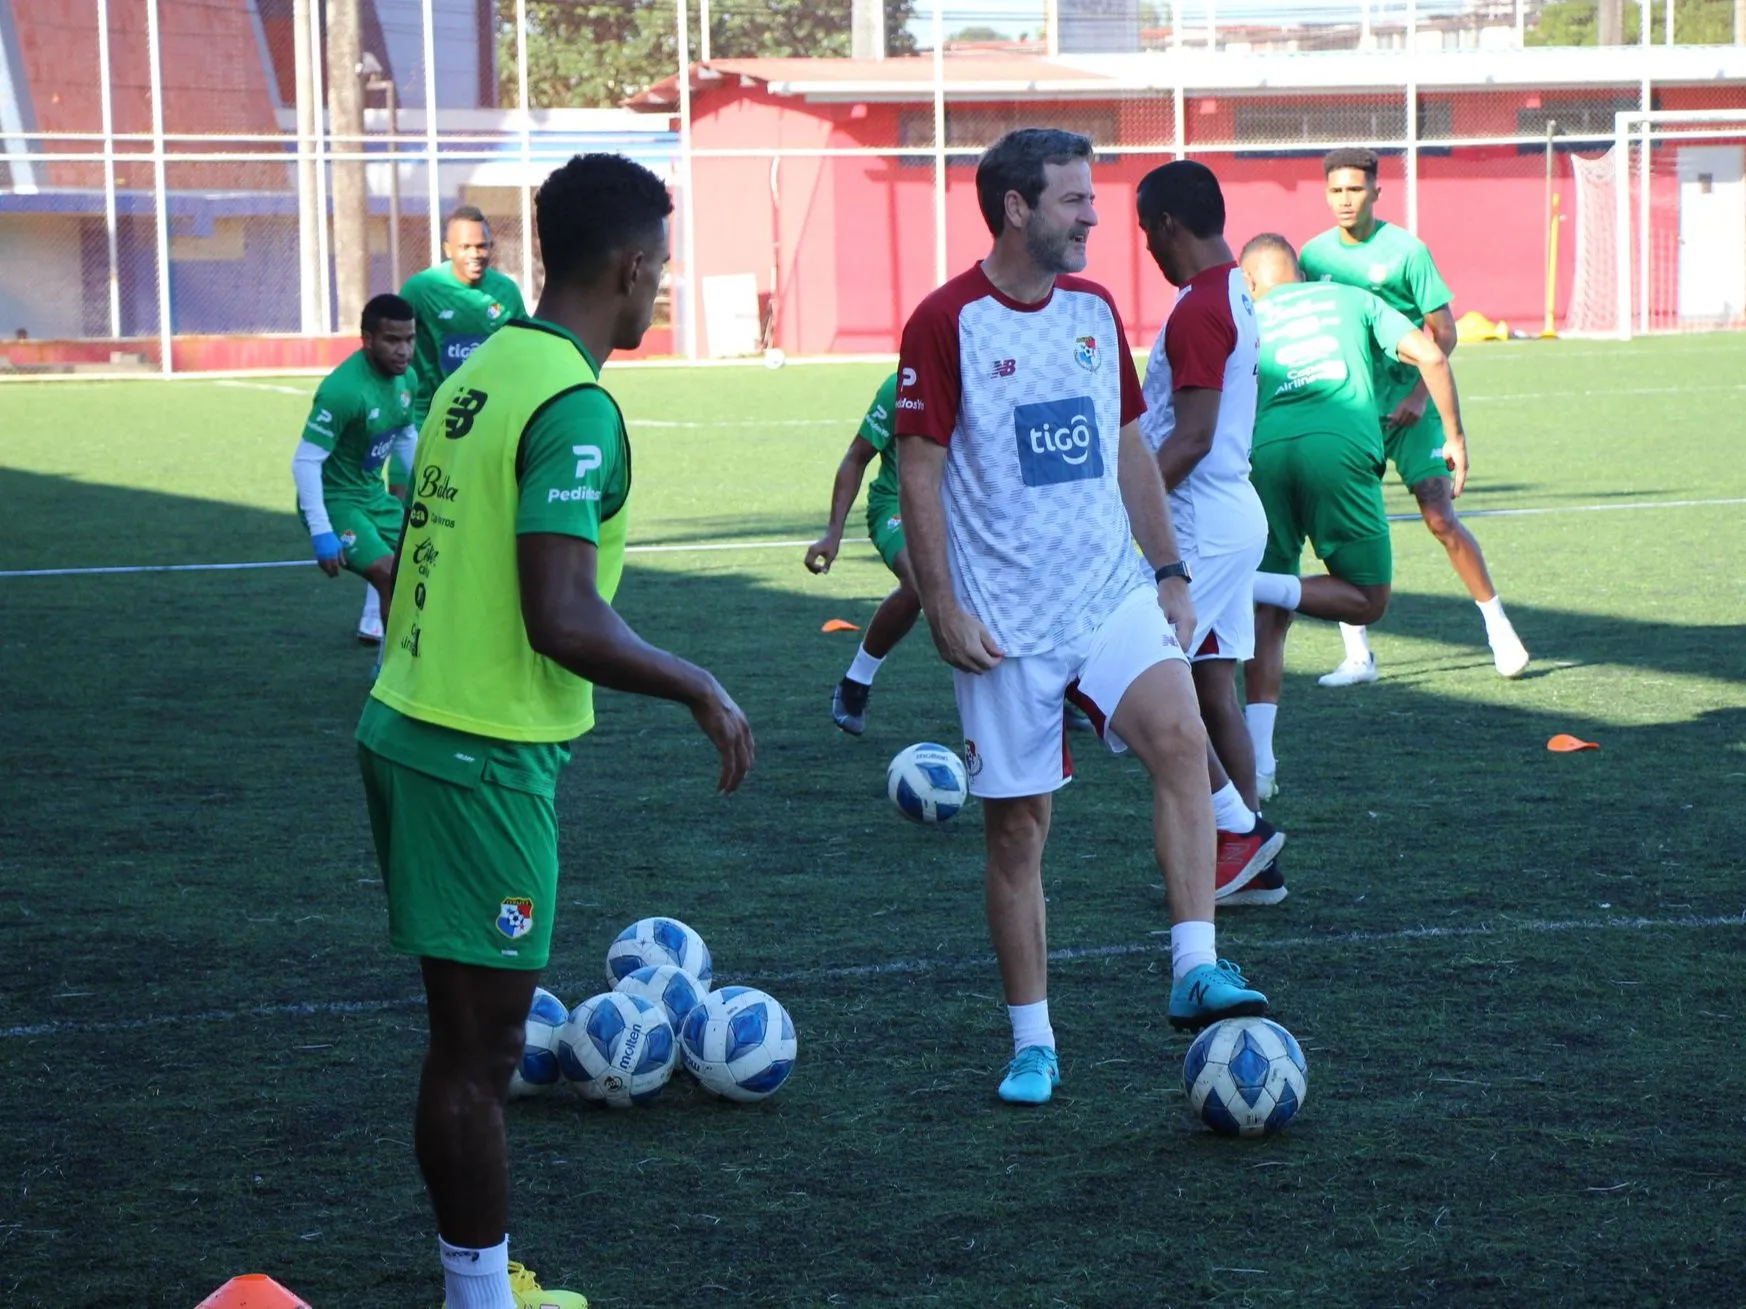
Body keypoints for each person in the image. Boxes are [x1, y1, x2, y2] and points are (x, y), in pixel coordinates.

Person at [357, 154, 754, 1309]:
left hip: (417, 723)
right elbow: (563, 616)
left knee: (466, 1045)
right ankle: (482, 1299)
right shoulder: (573, 403)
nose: (661, 288)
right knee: (478, 1055)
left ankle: (477, 1285)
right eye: (661, 268)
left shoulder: (484, 367)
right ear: (629, 266)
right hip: (476, 753)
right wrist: (697, 683)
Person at [894, 127, 1269, 1108]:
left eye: (1092, 200)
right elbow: (918, 472)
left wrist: (1170, 572)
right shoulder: (945, 321)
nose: (1095, 217)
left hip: (1110, 595)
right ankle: (1034, 1043)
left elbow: (1129, 449)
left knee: (1181, 738)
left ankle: (1195, 964)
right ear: (1017, 207)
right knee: (1019, 835)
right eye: (1075, 200)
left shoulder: (1095, 310)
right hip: (1004, 625)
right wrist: (941, 605)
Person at [1239, 233, 1468, 803]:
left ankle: (1260, 764)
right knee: (1367, 599)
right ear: (1300, 273)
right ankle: (1251, 584)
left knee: (1269, 615)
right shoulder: (1350, 298)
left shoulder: (1245, 315)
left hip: (1263, 453)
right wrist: (1455, 437)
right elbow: (1432, 353)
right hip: (1340, 446)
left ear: (1249, 281)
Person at [1301, 147, 1529, 685]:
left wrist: (1421, 397)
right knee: (1344, 530)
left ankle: (1498, 628)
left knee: (1440, 518)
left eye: (1356, 189)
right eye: (1336, 190)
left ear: (1376, 192)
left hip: (1410, 410)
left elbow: (1443, 333)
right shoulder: (1312, 256)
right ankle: (1358, 656)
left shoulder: (1407, 252)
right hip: (1350, 414)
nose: (1345, 199)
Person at [1134, 160, 1286, 907]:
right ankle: (1252, 862)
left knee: (1143, 684)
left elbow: (1190, 437)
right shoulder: (1231, 290)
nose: (1147, 248)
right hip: (1228, 511)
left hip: (1195, 519)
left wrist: (1127, 512)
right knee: (1210, 685)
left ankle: (1239, 832)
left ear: (1168, 224)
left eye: (1146, 232)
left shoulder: (1199, 305)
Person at [360, 204, 527, 644]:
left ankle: (463, 606)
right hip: (421, 417)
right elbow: (391, 345)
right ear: (447, 248)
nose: (476, 254)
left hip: (485, 420)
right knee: (403, 508)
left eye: (483, 246)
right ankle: (377, 608)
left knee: (478, 509)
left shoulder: (505, 293)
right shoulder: (422, 289)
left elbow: (522, 350)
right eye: (466, 246)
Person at [291, 293, 417, 645]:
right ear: (368, 339)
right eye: (392, 340)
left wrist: (434, 488)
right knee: (387, 573)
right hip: (336, 501)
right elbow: (305, 462)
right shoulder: (343, 391)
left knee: (423, 566)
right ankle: (393, 669)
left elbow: (405, 437)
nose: (404, 351)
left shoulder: (407, 379)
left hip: (373, 496)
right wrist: (321, 531)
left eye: (409, 339)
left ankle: (399, 662)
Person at [803, 372, 923, 735]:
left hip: (960, 508)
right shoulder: (902, 386)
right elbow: (856, 458)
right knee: (920, 579)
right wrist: (833, 533)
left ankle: (1054, 692)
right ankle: (857, 681)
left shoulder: (986, 378)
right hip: (897, 506)